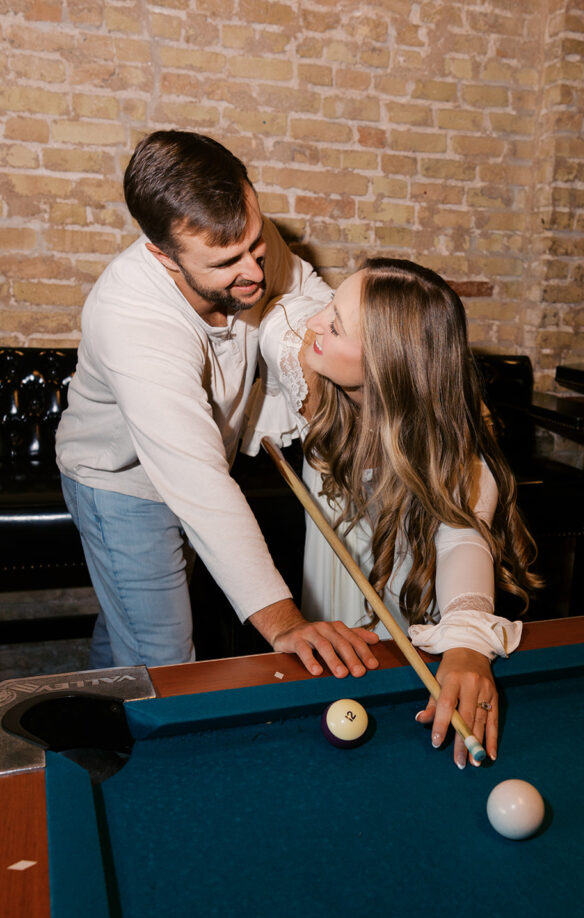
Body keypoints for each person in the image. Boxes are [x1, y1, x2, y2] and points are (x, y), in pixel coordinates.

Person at [56, 130, 380, 678]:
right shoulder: (130, 319)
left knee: (128, 628)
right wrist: (285, 623)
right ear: (163, 255)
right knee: (162, 658)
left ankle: (98, 737)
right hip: (122, 483)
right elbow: (198, 484)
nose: (254, 270)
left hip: (203, 460)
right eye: (228, 261)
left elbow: (301, 289)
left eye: (256, 244)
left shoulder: (243, 241)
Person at [241, 258, 541, 767]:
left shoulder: (458, 456)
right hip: (332, 596)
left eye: (335, 325)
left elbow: (462, 537)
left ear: (386, 365)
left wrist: (467, 645)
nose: (316, 323)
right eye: (328, 306)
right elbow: (282, 315)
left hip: (409, 606)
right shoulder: (309, 367)